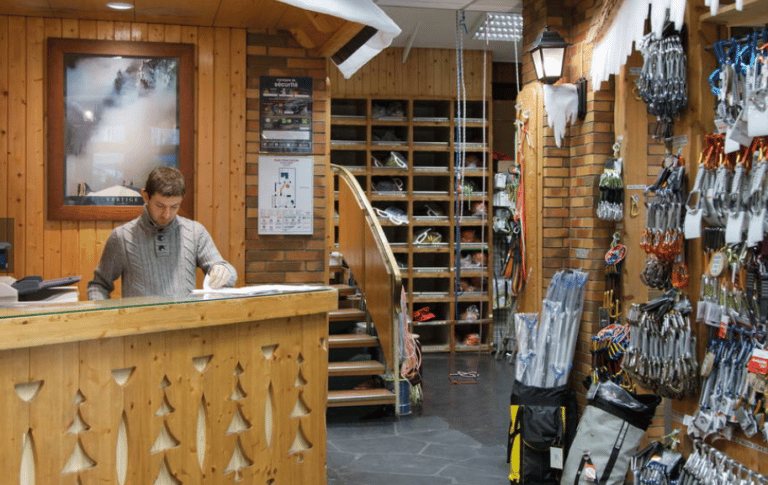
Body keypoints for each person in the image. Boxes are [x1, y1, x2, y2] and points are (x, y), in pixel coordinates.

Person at [88, 166, 236, 300]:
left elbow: (228, 274)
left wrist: (223, 270)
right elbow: (98, 286)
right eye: (160, 206)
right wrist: (106, 321)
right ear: (145, 196)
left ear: (181, 200)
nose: (166, 214)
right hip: (139, 327)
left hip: (187, 326)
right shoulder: (122, 237)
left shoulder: (195, 232)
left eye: (174, 207)